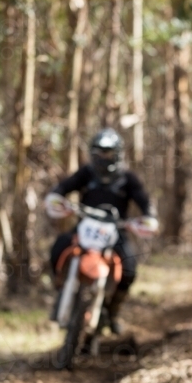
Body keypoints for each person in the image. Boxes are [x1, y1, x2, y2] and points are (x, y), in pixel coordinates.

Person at [45, 128, 158, 335]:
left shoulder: (128, 179)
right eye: (99, 152)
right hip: (86, 227)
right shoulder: (86, 173)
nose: (103, 157)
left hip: (115, 231)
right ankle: (61, 291)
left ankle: (112, 312)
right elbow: (64, 187)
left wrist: (149, 217)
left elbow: (144, 201)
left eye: (108, 152)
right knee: (58, 247)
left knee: (129, 268)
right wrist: (56, 197)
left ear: (118, 153)